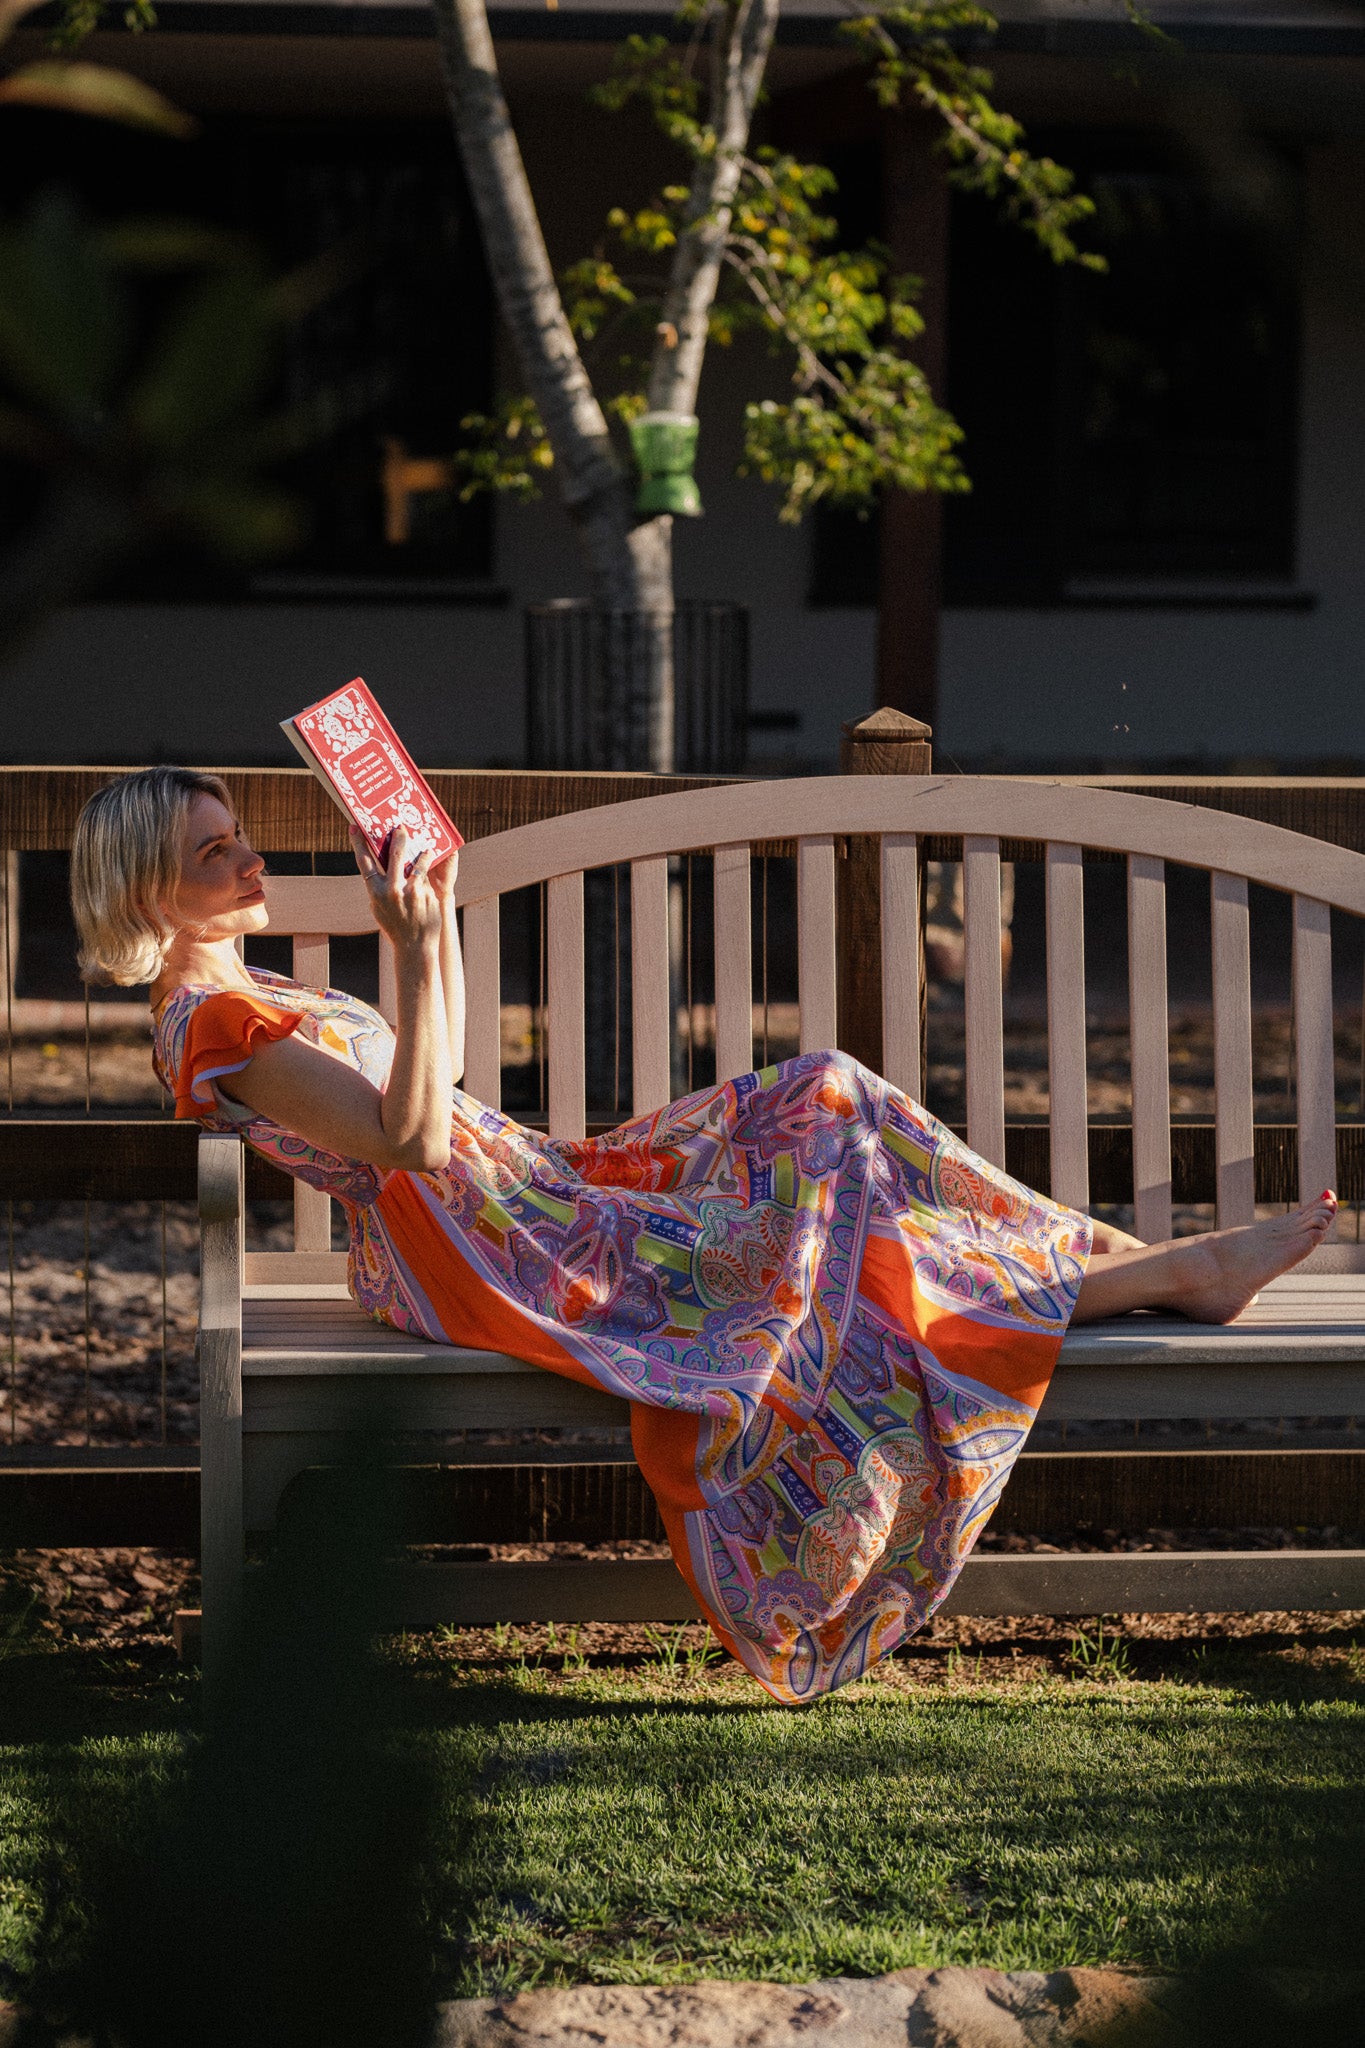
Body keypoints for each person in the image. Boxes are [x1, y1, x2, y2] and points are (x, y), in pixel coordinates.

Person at [71, 768, 1336, 1702]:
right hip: (498, 1242)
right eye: (214, 852)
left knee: (829, 1098)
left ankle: (1140, 1266)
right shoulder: (209, 1024)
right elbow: (409, 1142)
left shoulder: (250, 989)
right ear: (145, 890)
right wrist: (407, 948)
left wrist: (435, 922)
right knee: (824, 1211)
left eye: (240, 838)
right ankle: (1157, 1270)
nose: (250, 864)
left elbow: (439, 1086)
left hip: (529, 1182)